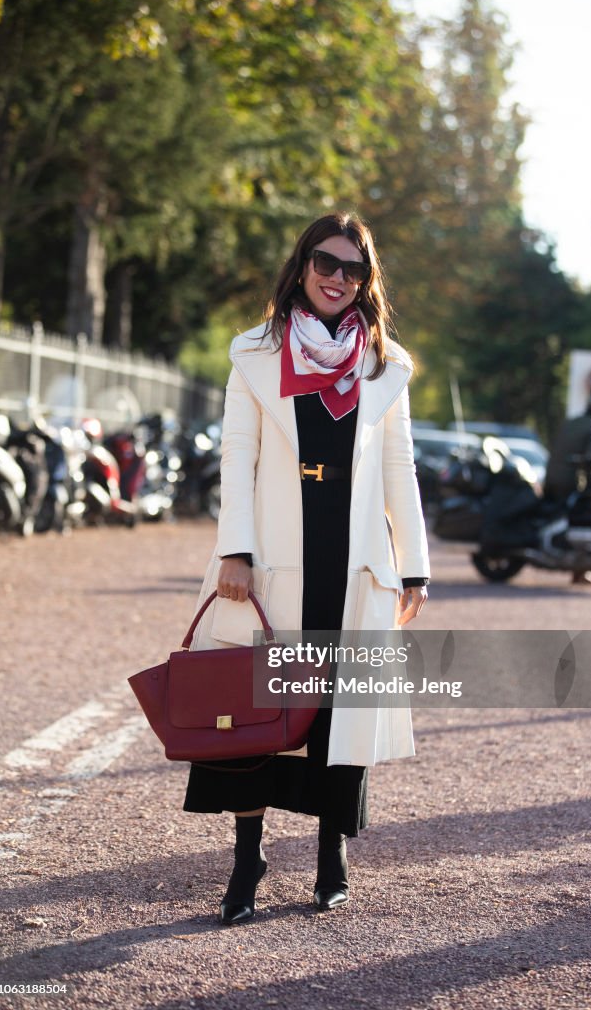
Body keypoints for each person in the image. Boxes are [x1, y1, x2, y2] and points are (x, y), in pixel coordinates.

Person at [182, 211, 430, 924]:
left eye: (352, 269)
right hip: (272, 561)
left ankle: (331, 851)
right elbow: (238, 453)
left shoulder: (386, 364)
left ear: (365, 281)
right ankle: (247, 856)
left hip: (352, 567)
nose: (337, 278)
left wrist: (412, 567)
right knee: (257, 709)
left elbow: (397, 467)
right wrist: (236, 550)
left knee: (336, 718)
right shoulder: (254, 354)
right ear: (301, 265)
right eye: (325, 262)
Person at [544, 386, 591, 586]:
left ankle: (578, 569)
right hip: (571, 481)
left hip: (552, 478)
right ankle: (579, 569)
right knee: (582, 519)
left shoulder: (572, 422)